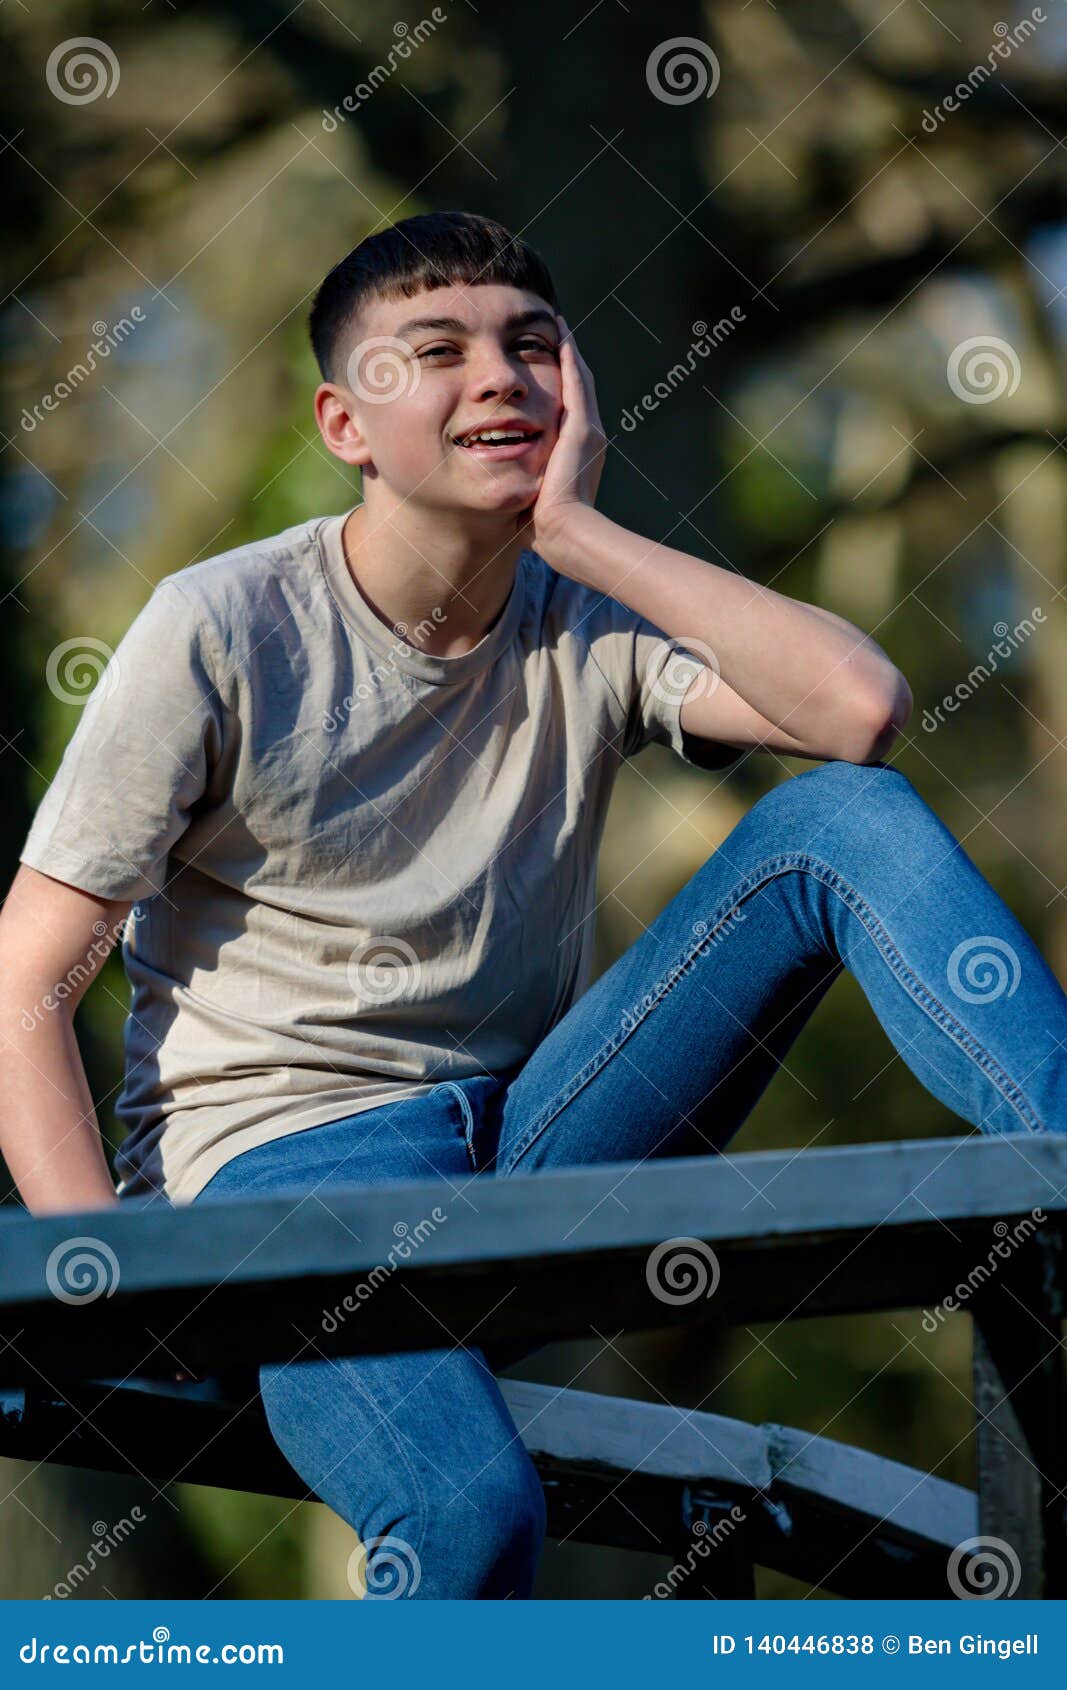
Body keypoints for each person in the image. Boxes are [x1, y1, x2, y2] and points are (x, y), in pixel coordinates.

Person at [2, 210, 1065, 1599]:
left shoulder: (583, 609)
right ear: (345, 423)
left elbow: (857, 711)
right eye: (437, 350)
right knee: (467, 1514)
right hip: (281, 1190)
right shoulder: (219, 627)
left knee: (833, 823)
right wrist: (125, 1280)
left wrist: (581, 530)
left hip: (524, 1142)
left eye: (533, 346)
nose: (500, 374)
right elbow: (26, 982)